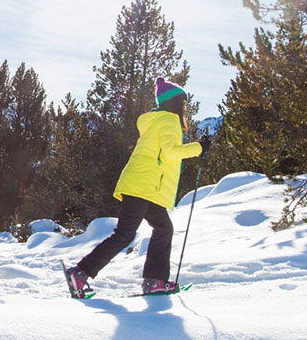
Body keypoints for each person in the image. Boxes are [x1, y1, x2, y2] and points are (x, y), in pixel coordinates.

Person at [66, 77, 210, 298]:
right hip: (143, 186)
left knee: (163, 229)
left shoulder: (154, 120)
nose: (185, 108)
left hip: (143, 186)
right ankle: (81, 273)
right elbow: (171, 152)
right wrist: (199, 148)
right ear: (176, 103)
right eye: (183, 103)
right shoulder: (169, 120)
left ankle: (155, 281)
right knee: (125, 234)